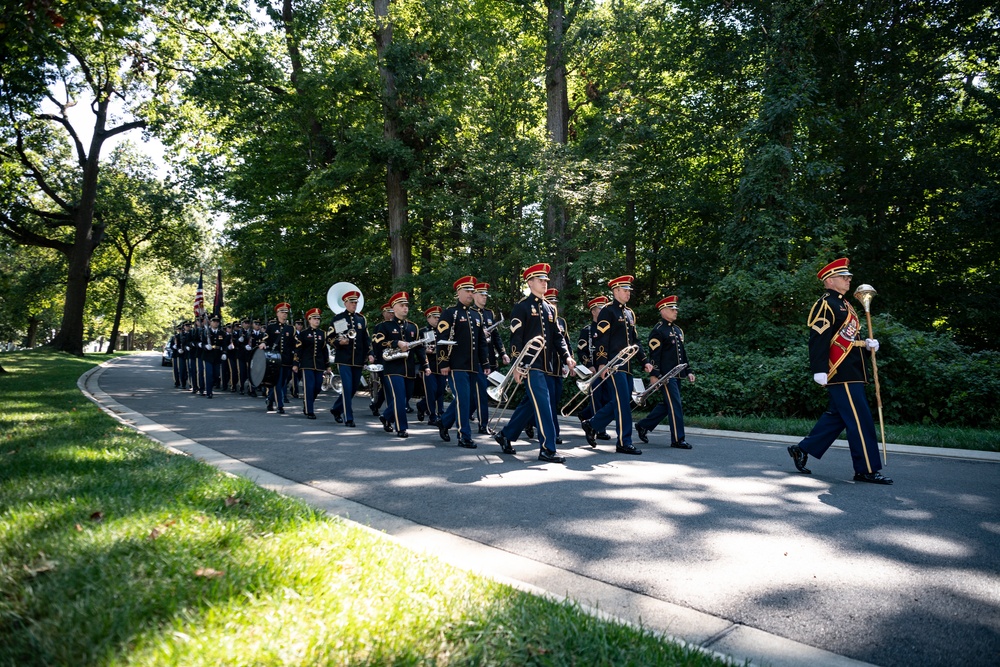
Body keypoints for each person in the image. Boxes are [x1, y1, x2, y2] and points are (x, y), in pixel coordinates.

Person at [787, 258, 892, 484]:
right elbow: (819, 338)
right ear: (830, 280)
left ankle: (802, 449)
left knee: (838, 416)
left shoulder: (846, 304)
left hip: (853, 368)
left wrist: (866, 344)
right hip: (840, 371)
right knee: (860, 418)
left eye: (849, 277)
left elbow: (848, 339)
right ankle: (866, 469)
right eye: (844, 277)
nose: (848, 279)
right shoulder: (825, 304)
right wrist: (819, 369)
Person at [492, 263, 576, 463]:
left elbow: (557, 337)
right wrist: (517, 366)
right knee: (544, 404)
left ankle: (506, 435)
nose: (545, 283)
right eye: (541, 280)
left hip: (546, 366)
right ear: (530, 283)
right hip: (530, 366)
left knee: (531, 405)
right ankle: (547, 448)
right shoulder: (521, 307)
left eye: (546, 280)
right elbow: (516, 340)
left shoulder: (550, 308)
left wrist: (567, 356)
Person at [581, 275, 653, 455]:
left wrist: (644, 361)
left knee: (621, 402)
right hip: (613, 365)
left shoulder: (629, 313)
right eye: (625, 290)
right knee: (622, 404)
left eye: (629, 290)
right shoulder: (607, 311)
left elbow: (635, 341)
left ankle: (592, 424)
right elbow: (601, 339)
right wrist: (602, 363)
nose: (629, 293)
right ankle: (623, 442)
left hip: (627, 365)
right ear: (616, 291)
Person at [436, 276, 490, 448]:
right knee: (464, 398)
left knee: (470, 398)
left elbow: (481, 342)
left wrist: (486, 363)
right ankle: (464, 435)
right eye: (467, 291)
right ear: (458, 292)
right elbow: (442, 339)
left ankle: (444, 422)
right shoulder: (450, 313)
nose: (470, 294)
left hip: (474, 366)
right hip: (457, 365)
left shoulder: (476, 315)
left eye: (471, 291)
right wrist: (443, 363)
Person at [635, 296, 696, 448]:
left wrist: (688, 370)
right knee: (675, 405)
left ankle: (643, 425)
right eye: (672, 309)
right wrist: (654, 375)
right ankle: (678, 439)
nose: (676, 311)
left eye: (676, 309)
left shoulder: (677, 330)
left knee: (667, 405)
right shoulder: (658, 331)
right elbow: (654, 355)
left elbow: (683, 353)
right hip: (666, 376)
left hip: (678, 374)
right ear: (663, 311)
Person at [372, 292, 426, 438]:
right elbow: (377, 343)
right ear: (394, 308)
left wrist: (425, 366)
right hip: (392, 368)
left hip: (408, 369)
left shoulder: (413, 327)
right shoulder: (385, 326)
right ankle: (401, 428)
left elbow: (420, 349)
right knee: (399, 398)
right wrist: (396, 343)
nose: (405, 308)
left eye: (407, 305)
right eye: (402, 305)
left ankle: (386, 416)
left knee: (405, 397)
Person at [328, 289, 371, 427]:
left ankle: (336, 409)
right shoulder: (338, 319)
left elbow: (366, 339)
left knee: (352, 389)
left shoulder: (361, 319)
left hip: (357, 360)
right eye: (352, 302)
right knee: (347, 388)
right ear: (345, 303)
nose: (354, 305)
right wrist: (338, 342)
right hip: (344, 359)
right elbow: (329, 337)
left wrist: (370, 354)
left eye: (356, 302)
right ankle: (349, 418)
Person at [470, 282, 509, 434]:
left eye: (486, 295)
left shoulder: (489, 313)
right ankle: (483, 424)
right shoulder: (470, 312)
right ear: (474, 295)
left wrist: (503, 352)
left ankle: (453, 417)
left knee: (481, 392)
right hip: (477, 359)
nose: (484, 297)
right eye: (481, 294)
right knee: (481, 392)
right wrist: (480, 334)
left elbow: (496, 336)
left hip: (490, 358)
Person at [576, 296, 612, 440]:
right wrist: (590, 366)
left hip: (608, 368)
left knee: (608, 398)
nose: (603, 311)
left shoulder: (609, 327)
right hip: (594, 370)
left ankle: (585, 415)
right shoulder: (587, 330)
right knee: (596, 399)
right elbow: (581, 350)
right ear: (593, 311)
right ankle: (599, 429)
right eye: (600, 308)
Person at [292, 308, 329, 419]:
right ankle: (309, 410)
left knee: (317, 387)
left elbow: (324, 350)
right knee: (309, 387)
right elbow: (298, 349)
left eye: (318, 319)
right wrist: (295, 363)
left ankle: (307, 402)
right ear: (309, 320)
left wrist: (327, 365)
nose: (317, 320)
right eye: (315, 318)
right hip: (306, 364)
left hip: (319, 364)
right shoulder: (303, 334)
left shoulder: (323, 333)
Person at [260, 302, 296, 414]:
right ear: (277, 313)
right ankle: (280, 405)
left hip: (287, 359)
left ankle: (270, 399)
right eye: (282, 312)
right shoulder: (271, 327)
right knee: (278, 382)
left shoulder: (291, 328)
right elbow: (265, 338)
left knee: (283, 381)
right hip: (275, 360)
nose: (285, 314)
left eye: (286, 312)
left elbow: (295, 343)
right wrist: (263, 343)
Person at [416, 306, 446, 426]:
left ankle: (421, 405)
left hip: (441, 364)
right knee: (431, 391)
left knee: (440, 391)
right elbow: (418, 348)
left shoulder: (443, 330)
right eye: (435, 317)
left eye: (439, 317)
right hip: (428, 365)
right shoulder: (423, 331)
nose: (437, 319)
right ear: (428, 318)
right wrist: (425, 350)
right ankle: (433, 415)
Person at [203, 314, 227, 399]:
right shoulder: (206, 332)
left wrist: (224, 353)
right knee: (209, 374)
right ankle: (209, 392)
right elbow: (201, 342)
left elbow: (224, 344)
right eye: (214, 321)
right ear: (211, 322)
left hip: (217, 356)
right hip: (208, 356)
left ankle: (212, 385)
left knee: (216, 375)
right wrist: (205, 346)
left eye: (217, 322)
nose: (216, 323)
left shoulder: (222, 333)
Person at [169, 323, 188, 389]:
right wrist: (175, 347)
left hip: (183, 355)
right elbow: (171, 345)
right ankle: (177, 382)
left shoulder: (185, 336)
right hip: (176, 355)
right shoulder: (175, 337)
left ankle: (183, 383)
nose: (180, 331)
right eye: (179, 329)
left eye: (181, 329)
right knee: (176, 370)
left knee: (183, 369)